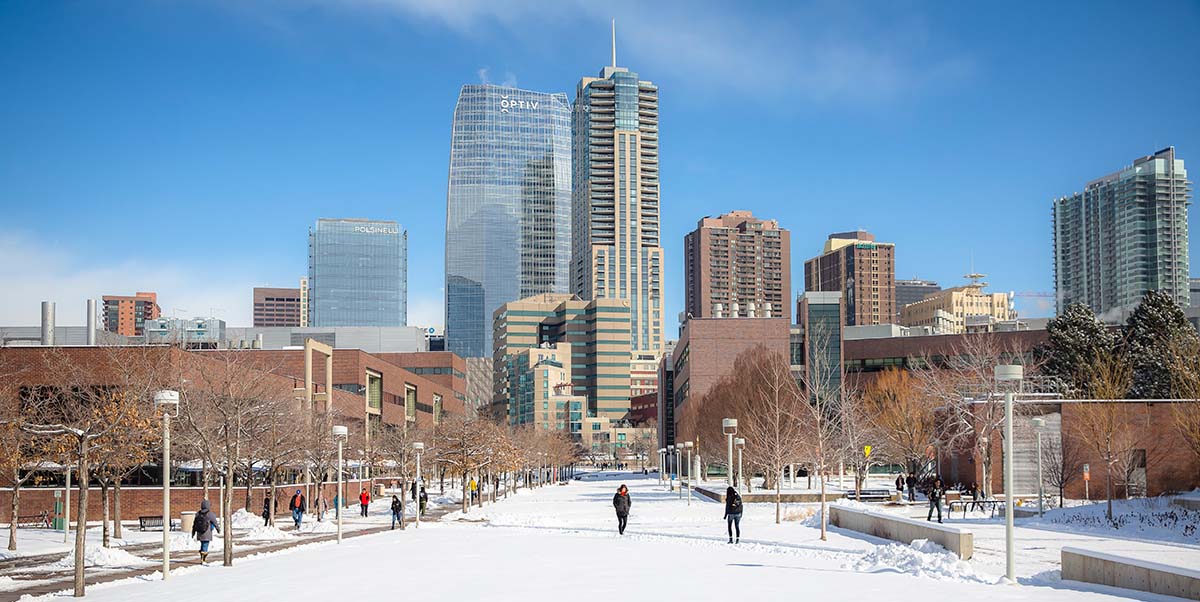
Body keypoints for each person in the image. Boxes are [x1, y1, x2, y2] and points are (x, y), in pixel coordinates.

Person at [191, 499, 220, 564]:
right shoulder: (210, 514)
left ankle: (202, 556)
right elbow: (215, 523)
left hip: (199, 532)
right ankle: (203, 559)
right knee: (205, 544)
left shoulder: (198, 514)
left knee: (203, 544)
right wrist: (218, 529)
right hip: (207, 532)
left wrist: (193, 532)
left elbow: (194, 524)